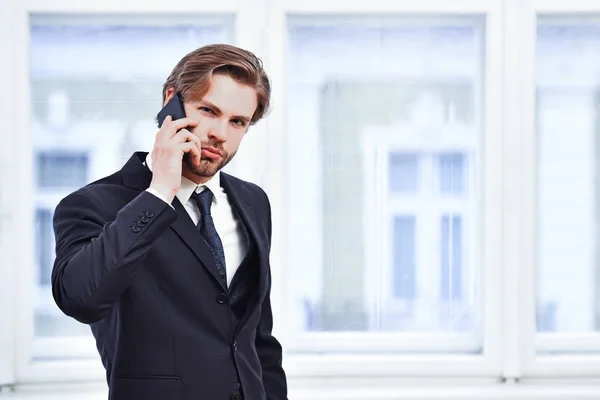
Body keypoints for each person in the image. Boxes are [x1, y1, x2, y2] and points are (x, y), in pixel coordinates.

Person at [51, 44, 287, 400]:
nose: (220, 134)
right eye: (208, 111)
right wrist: (160, 192)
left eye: (237, 122)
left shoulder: (253, 202)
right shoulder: (92, 205)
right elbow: (80, 299)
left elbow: (258, 339)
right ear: (171, 101)